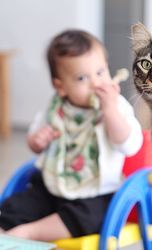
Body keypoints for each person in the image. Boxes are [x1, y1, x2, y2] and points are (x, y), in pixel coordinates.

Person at [0, 29, 143, 241]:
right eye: (82, 78)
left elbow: (129, 145)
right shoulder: (56, 108)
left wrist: (110, 111)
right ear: (61, 87)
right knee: (15, 206)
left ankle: (29, 233)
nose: (96, 83)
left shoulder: (116, 106)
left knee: (87, 217)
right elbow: (34, 139)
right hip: (51, 187)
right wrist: (37, 141)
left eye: (101, 72)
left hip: (96, 193)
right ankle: (8, 231)